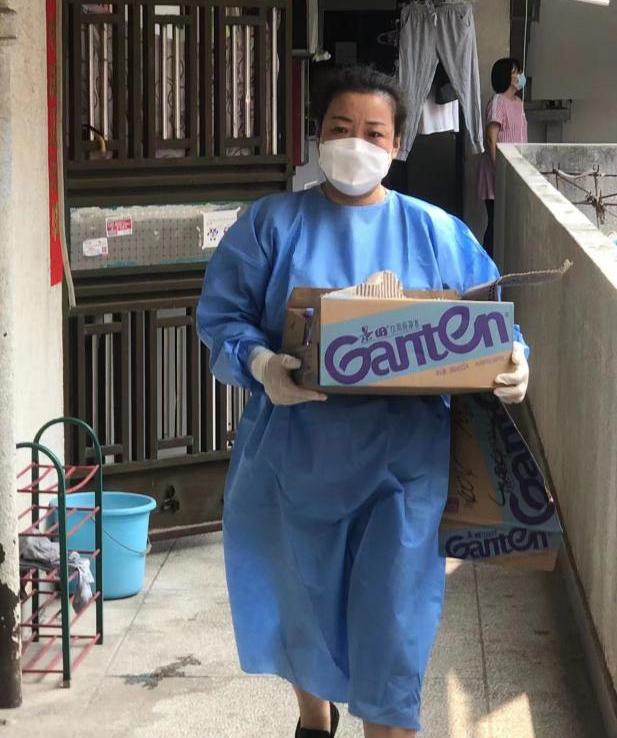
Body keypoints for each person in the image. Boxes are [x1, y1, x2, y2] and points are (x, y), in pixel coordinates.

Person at [197, 65, 529, 738]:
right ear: (316, 135)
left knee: (395, 628)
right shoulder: (271, 226)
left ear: (397, 142)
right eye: (340, 128)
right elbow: (224, 318)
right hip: (296, 458)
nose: (356, 143)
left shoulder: (436, 232)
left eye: (373, 132)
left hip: (403, 468)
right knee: (304, 605)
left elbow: (489, 318)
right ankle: (314, 720)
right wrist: (262, 365)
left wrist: (515, 358)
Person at [478, 57, 529, 256]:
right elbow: (491, 139)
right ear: (505, 76)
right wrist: (498, 170)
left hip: (516, 171)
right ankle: (486, 264)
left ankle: (501, 260)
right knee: (496, 222)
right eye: (515, 72)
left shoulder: (518, 103)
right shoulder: (498, 101)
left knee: (509, 222)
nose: (520, 76)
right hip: (498, 172)